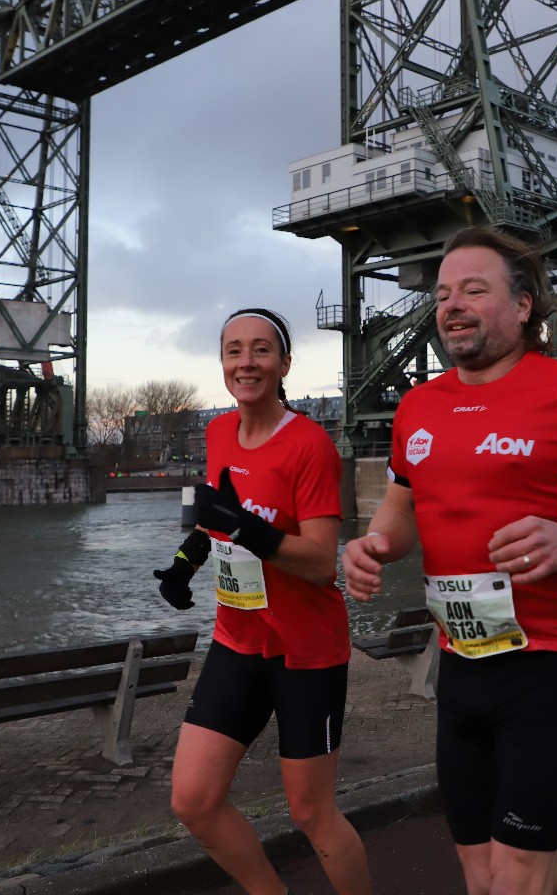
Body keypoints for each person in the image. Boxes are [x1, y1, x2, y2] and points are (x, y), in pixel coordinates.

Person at [343, 227, 557, 895]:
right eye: (444, 294)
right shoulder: (417, 407)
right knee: (484, 873)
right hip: (461, 663)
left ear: (524, 305)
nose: (452, 304)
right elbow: (400, 509)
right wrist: (373, 545)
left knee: (513, 879)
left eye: (474, 290)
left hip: (552, 666)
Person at [153, 307, 372, 895]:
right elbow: (218, 519)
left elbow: (321, 562)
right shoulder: (218, 433)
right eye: (234, 351)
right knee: (194, 801)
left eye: (260, 350)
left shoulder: (309, 446)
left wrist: (245, 528)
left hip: (306, 653)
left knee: (312, 814)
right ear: (222, 363)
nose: (246, 362)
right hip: (238, 641)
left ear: (284, 365)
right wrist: (186, 562)